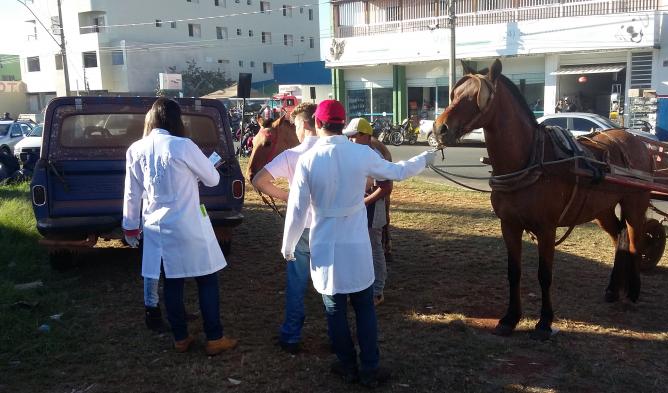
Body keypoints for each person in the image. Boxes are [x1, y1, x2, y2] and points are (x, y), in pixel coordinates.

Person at [281, 100, 436, 387]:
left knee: (334, 310)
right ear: (344, 124)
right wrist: (425, 158)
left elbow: (297, 210)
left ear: (318, 123)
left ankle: (348, 364)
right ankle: (370, 366)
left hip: (326, 243)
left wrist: (288, 246)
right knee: (364, 307)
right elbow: (398, 171)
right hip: (355, 242)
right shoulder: (361, 153)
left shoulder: (308, 160)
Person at [122, 97, 237, 355]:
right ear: (177, 120)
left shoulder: (135, 149)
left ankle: (180, 338)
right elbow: (212, 178)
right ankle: (214, 337)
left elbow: (131, 193)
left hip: (155, 227)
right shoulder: (183, 145)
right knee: (206, 278)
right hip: (189, 224)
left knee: (172, 281)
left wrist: (130, 227)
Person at [251, 102, 319, 354]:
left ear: (302, 125)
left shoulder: (293, 156)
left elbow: (260, 180)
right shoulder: (337, 153)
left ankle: (291, 335)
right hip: (330, 228)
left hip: (301, 228)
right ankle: (338, 334)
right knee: (333, 284)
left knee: (296, 283)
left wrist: (288, 197)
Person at [343, 117, 392, 306]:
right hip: (357, 210)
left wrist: (364, 202)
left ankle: (378, 291)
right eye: (349, 137)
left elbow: (386, 187)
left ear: (365, 136)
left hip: (372, 211)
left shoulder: (374, 156)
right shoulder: (353, 154)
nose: (350, 140)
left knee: (374, 249)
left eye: (353, 137)